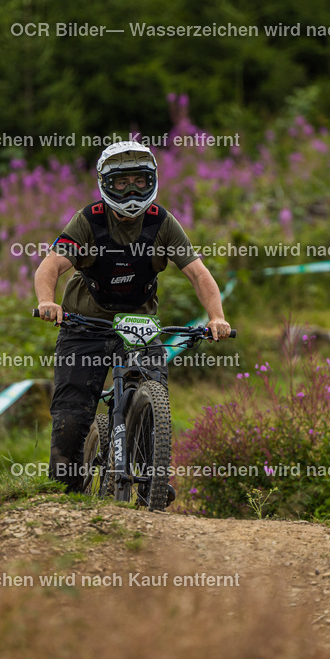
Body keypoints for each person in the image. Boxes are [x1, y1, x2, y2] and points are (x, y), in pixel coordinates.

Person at [34, 140, 232, 504]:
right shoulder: (90, 220)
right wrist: (47, 301)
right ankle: (62, 498)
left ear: (152, 181)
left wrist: (217, 317)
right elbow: (51, 265)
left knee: (154, 395)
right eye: (122, 183)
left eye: (139, 182)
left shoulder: (161, 222)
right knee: (72, 415)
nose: (131, 191)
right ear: (105, 184)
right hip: (84, 324)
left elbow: (198, 273)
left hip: (138, 323)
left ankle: (152, 477)